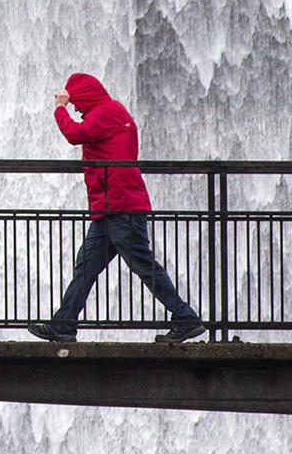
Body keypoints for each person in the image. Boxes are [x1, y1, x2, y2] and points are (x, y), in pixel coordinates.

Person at [27, 72, 207, 345]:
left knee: (144, 266)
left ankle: (186, 318)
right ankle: (63, 325)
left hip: (122, 207)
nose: (75, 108)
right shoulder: (108, 112)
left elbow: (75, 134)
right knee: (85, 267)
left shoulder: (105, 113)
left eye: (76, 102)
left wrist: (60, 109)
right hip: (110, 208)